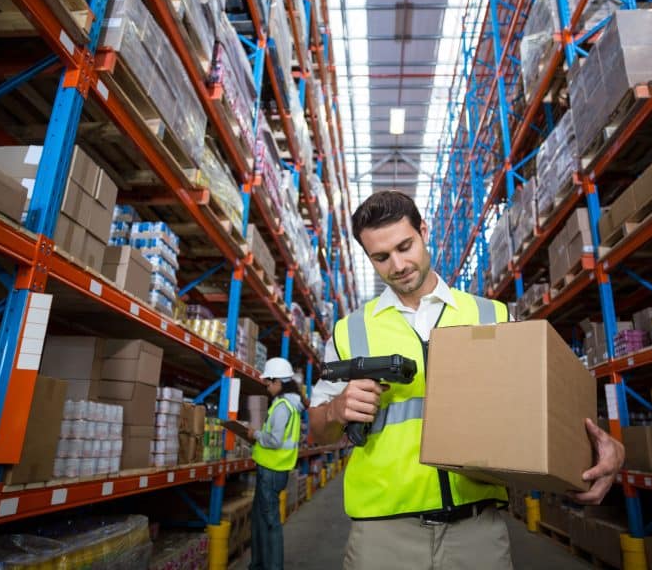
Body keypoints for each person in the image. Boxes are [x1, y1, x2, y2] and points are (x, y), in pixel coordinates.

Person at [309, 191, 625, 570]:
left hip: (477, 532)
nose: (397, 265)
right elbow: (318, 432)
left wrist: (604, 449)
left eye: (405, 246)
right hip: (382, 536)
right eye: (381, 257)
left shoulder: (489, 314)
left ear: (424, 232)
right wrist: (336, 409)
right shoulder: (349, 331)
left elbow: (542, 404)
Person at [247, 357, 305, 570]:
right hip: (274, 470)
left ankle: (272, 566)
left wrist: (255, 434)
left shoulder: (282, 406)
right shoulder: (292, 404)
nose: (267, 386)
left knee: (271, 524)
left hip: (271, 471)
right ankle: (259, 564)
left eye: (269, 382)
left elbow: (274, 440)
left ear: (279, 382)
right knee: (261, 520)